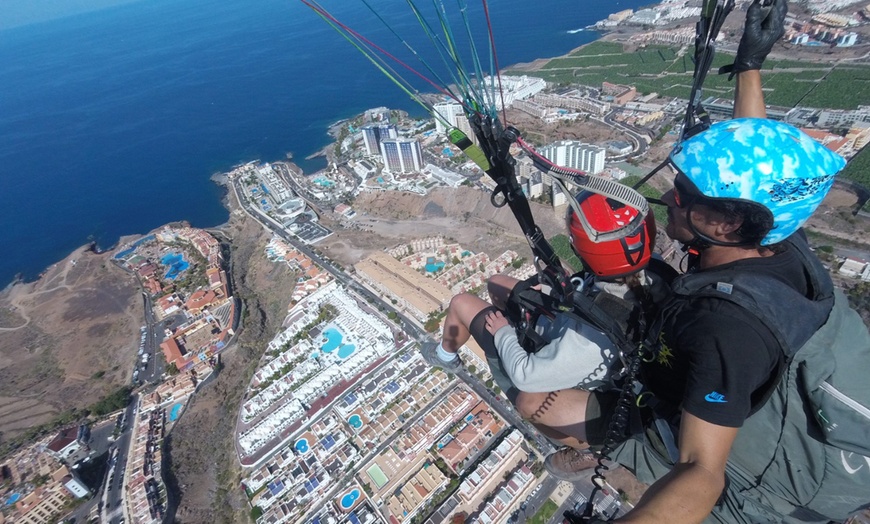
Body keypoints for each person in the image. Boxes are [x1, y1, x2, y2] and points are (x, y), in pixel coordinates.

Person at [524, 1, 870, 522]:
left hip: (755, 471)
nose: (668, 199)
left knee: (536, 406)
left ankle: (622, 464)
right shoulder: (777, 234)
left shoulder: (723, 326)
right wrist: (750, 65)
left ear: (727, 223)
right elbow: (754, 160)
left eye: (683, 193)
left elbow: (701, 471)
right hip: (740, 381)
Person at [421, 191, 664, 421]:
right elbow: (594, 298)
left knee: (460, 303)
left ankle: (446, 356)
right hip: (568, 319)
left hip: (548, 351)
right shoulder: (648, 269)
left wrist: (504, 333)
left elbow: (526, 376)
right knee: (497, 284)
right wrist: (553, 292)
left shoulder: (588, 344)